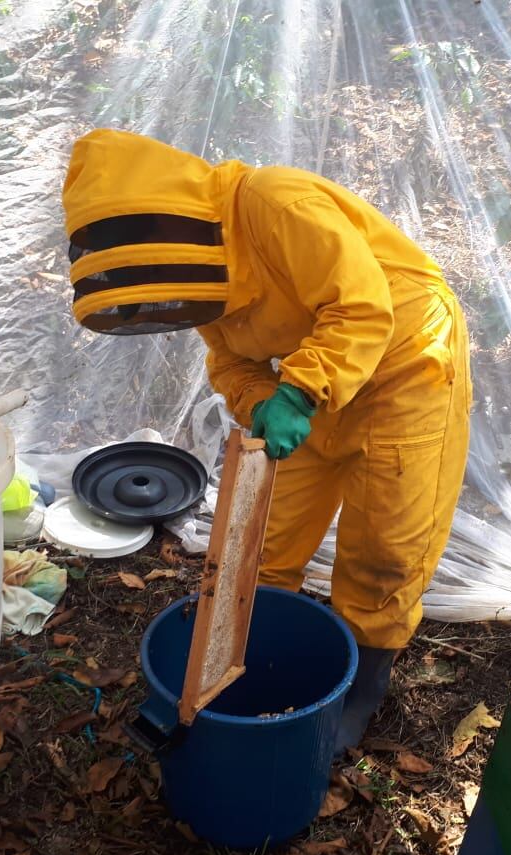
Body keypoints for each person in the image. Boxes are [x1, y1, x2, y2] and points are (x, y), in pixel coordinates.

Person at [61, 128, 472, 754]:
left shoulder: (275, 203)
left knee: (389, 539)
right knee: (263, 535)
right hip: (314, 382)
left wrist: (299, 392)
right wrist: (268, 402)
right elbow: (230, 366)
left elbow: (361, 306)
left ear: (168, 224)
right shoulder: (203, 281)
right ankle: (245, 651)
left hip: (408, 363)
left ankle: (365, 679)